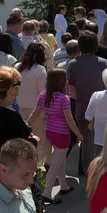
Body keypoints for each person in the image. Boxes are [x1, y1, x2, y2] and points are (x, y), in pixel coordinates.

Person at [28, 69, 83, 204]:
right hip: (62, 134)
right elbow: (69, 120)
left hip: (50, 132)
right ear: (61, 82)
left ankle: (64, 186)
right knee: (55, 164)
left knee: (60, 160)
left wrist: (26, 125)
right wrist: (79, 135)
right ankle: (47, 194)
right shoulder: (64, 99)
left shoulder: (43, 95)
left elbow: (35, 113)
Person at [67, 31, 107, 174]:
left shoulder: (73, 64)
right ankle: (102, 169)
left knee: (86, 142)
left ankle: (88, 172)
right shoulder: (104, 63)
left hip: (82, 107)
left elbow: (72, 88)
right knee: (103, 140)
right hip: (102, 107)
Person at [0, 67, 37, 172]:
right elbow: (23, 148)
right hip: (14, 166)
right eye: (18, 84)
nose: (19, 88)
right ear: (11, 89)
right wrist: (35, 140)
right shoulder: (12, 116)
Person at [15, 42, 49, 165]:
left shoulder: (17, 67)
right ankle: (37, 166)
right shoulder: (40, 70)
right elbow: (43, 93)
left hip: (18, 108)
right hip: (37, 110)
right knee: (38, 141)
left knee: (22, 140)